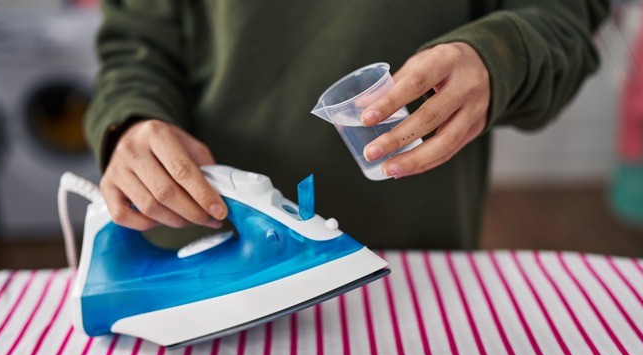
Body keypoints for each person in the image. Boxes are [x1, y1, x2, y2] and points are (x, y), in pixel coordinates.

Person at [84, 0, 609, 250]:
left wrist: (501, 54)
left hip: (417, 259)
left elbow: (565, 17)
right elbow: (136, 49)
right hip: (207, 244)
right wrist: (130, 124)